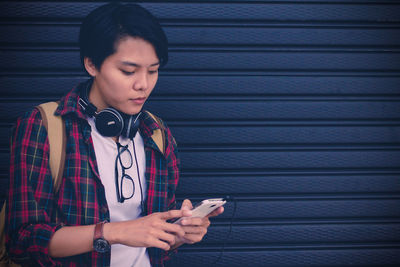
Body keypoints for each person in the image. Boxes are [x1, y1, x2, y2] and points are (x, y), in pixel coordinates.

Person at [5, 3, 223, 267]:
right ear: (92, 64)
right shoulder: (43, 126)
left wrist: (179, 233)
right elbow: (22, 241)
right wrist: (115, 232)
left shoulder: (157, 133)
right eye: (128, 71)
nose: (143, 84)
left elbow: (154, 242)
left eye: (153, 71)